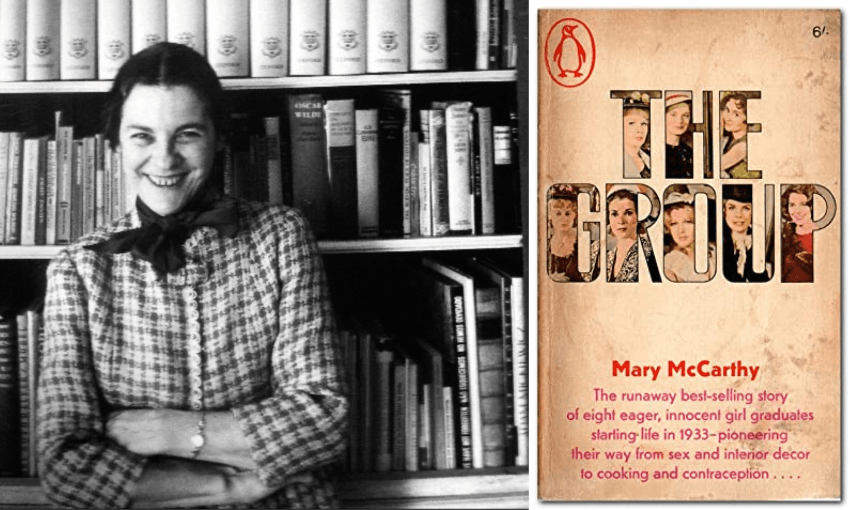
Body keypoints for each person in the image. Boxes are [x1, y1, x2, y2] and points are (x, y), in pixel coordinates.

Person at [38, 42, 348, 509]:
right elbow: (66, 467)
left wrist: (173, 432)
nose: (165, 160)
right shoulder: (79, 268)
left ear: (218, 137)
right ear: (116, 142)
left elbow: (324, 420)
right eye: (143, 136)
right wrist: (233, 485)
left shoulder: (282, 236)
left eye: (187, 135)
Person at [663, 185, 716, 282]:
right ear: (668, 228)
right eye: (674, 224)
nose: (681, 230)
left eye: (687, 222)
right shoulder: (669, 263)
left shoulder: (714, 252)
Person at [606, 186, 657, 282]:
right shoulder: (608, 256)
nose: (621, 221)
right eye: (614, 214)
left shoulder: (649, 254)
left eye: (628, 213)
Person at [721, 185, 770, 282]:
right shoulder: (717, 244)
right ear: (724, 211)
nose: (738, 215)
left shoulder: (757, 243)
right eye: (731, 208)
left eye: (746, 208)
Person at [548, 184, 595, 282]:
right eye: (558, 213)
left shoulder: (586, 244)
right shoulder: (543, 243)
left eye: (568, 213)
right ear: (550, 216)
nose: (564, 219)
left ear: (575, 215)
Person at [781, 184, 816, 282]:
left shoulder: (825, 236)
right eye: (792, 205)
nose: (797, 211)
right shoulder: (783, 236)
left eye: (803, 204)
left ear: (813, 206)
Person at [720, 92, 759, 179]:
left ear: (748, 119)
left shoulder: (744, 146)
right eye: (727, 110)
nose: (728, 118)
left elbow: (715, 167)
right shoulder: (730, 140)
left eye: (736, 114)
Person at [622, 92, 651, 178]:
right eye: (631, 123)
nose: (639, 130)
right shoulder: (612, 160)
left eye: (644, 123)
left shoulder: (649, 157)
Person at [664, 92, 694, 179]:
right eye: (673, 115)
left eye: (686, 115)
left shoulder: (689, 153)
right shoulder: (651, 152)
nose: (680, 121)